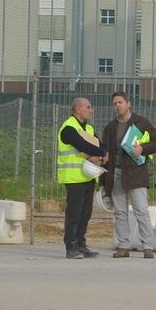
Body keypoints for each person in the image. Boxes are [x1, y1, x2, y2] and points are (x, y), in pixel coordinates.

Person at [99, 90, 156, 258]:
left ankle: (147, 246)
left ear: (128, 104)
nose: (117, 106)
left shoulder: (141, 123)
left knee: (141, 210)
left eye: (120, 102)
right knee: (120, 212)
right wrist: (103, 156)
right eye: (115, 104)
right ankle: (123, 245)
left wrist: (142, 148)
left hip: (136, 173)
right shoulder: (110, 127)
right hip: (116, 172)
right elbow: (104, 147)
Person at [54, 98, 105, 259]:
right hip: (73, 177)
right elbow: (82, 145)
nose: (91, 110)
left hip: (88, 176)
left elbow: (98, 144)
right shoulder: (68, 128)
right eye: (88, 107)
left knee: (85, 213)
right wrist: (102, 153)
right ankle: (71, 246)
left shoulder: (88, 128)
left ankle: (81, 245)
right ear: (78, 109)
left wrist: (102, 153)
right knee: (74, 213)